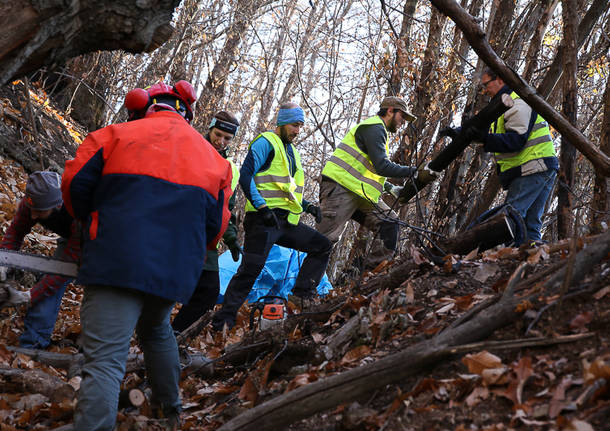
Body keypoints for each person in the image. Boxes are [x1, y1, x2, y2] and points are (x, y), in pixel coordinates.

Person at [61, 80, 233, 430]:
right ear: (187, 112)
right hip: (172, 272)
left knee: (105, 362)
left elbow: (74, 186)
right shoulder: (215, 161)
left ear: (142, 107)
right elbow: (215, 229)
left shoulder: (114, 135)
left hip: (116, 261)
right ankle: (172, 410)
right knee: (156, 330)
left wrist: (93, 221)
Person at [211, 102, 332, 331]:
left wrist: (307, 207)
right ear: (283, 122)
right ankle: (222, 322)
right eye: (295, 125)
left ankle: (301, 295)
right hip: (262, 221)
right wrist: (262, 208)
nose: (298, 130)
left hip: (285, 223)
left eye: (301, 126)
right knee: (249, 272)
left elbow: (286, 191)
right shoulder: (265, 142)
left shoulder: (292, 152)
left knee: (322, 246)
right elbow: (246, 176)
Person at [317, 96, 438, 270]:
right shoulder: (374, 128)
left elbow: (369, 169)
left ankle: (370, 276)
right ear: (390, 110)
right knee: (324, 242)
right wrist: (415, 171)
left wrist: (389, 187)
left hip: (359, 193)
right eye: (401, 116)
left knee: (389, 223)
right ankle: (302, 292)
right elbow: (382, 166)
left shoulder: (378, 131)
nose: (402, 122)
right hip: (340, 189)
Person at [171, 111, 242, 333]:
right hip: (181, 232)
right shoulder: (191, 150)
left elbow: (226, 208)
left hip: (208, 241)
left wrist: (231, 238)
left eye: (227, 138)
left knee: (209, 293)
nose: (220, 142)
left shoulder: (229, 167)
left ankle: (173, 337)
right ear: (210, 129)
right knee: (165, 287)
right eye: (218, 134)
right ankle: (155, 339)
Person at [474, 67, 558, 243]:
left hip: (532, 167)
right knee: (529, 224)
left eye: (486, 85)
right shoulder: (503, 106)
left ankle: (493, 256)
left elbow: (516, 140)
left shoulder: (517, 103)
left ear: (501, 80)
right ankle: (532, 264)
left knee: (510, 219)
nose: (485, 90)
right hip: (540, 166)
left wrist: (486, 139)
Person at [0, 171, 80, 349]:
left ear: (57, 205)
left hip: (96, 243)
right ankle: (31, 345)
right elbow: (15, 232)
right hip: (71, 238)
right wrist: (4, 261)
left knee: (55, 285)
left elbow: (61, 273)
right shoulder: (31, 203)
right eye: (32, 209)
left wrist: (28, 296)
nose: (33, 216)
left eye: (40, 211)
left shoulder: (79, 210)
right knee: (49, 284)